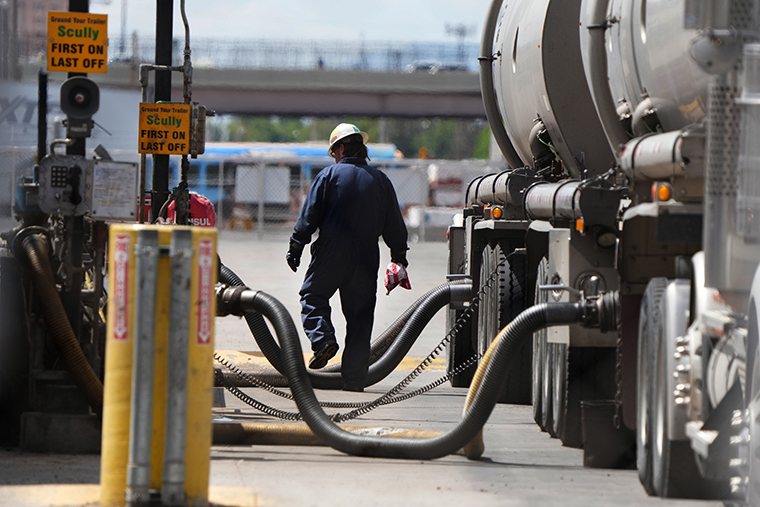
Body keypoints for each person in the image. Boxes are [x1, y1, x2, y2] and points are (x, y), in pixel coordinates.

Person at [286, 123, 410, 392]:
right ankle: (354, 381)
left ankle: (323, 341)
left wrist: (296, 245)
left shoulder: (329, 176)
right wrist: (398, 257)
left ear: (341, 148)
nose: (335, 157)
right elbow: (394, 225)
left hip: (332, 250)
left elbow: (309, 216)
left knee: (313, 297)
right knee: (360, 317)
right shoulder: (380, 181)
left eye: (335, 152)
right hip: (367, 255)